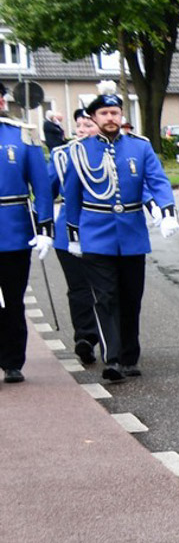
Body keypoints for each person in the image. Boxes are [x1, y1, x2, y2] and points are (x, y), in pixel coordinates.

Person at [61, 82, 177, 382]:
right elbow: (71, 195)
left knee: (130, 297)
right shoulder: (79, 151)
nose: (111, 117)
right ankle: (112, 358)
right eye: (104, 113)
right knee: (106, 297)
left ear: (122, 115)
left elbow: (158, 180)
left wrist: (166, 211)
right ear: (94, 117)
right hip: (96, 233)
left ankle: (129, 357)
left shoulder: (140, 146)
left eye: (115, 112)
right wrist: (73, 234)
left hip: (132, 234)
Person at [0, 84, 55, 383]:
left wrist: (44, 227)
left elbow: (41, 186)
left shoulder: (22, 134)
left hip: (13, 230)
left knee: (12, 299)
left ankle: (12, 361)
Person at [48, 113, 102, 365]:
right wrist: (40, 223)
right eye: (78, 125)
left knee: (106, 289)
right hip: (68, 232)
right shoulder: (62, 155)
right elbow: (46, 190)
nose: (81, 129)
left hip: (101, 231)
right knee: (79, 287)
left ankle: (113, 339)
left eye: (87, 125)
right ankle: (85, 337)